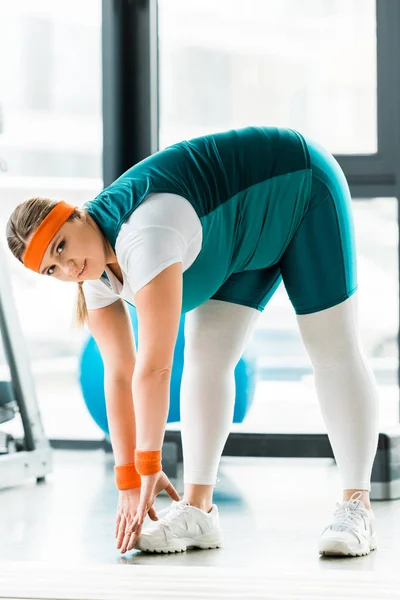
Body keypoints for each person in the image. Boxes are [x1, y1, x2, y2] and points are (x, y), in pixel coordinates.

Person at [6, 126, 379, 557]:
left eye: (61, 246)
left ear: (75, 215)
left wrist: (149, 464)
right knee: (207, 357)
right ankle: (198, 511)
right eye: (52, 269)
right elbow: (119, 374)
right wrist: (128, 479)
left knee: (331, 348)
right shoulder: (92, 274)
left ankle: (358, 506)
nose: (68, 267)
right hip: (237, 236)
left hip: (299, 189)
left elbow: (154, 368)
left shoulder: (145, 233)